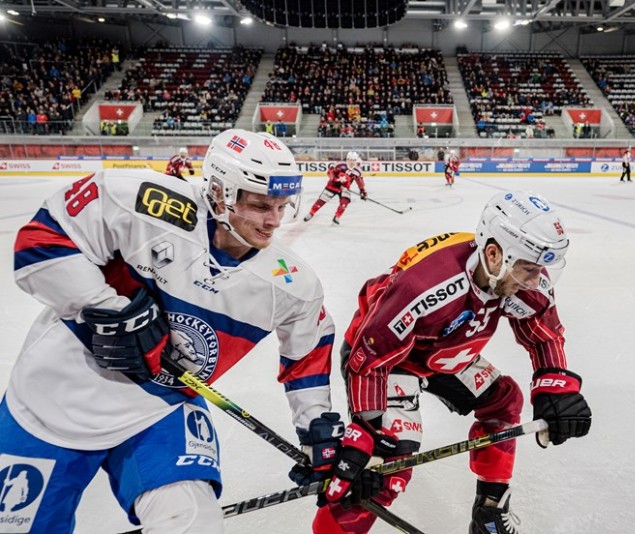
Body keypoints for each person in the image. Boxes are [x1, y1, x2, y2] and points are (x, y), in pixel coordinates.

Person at [0, 129, 344, 533]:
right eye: (260, 205)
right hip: (54, 397)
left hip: (161, 409)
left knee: (193, 524)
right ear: (219, 192)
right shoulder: (143, 201)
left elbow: (307, 353)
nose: (274, 221)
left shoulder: (291, 284)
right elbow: (40, 242)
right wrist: (110, 310)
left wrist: (316, 426)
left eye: (282, 206)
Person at [313, 191, 592, 534]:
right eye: (529, 270)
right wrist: (367, 430)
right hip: (388, 358)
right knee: (386, 467)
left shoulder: (517, 278)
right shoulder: (426, 284)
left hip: (444, 352)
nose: (536, 281)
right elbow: (370, 357)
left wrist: (555, 386)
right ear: (494, 253)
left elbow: (543, 334)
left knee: (504, 399)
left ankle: (489, 512)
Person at [303, 151, 367, 225]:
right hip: (332, 186)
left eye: (354, 160)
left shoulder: (357, 171)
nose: (351, 162)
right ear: (347, 159)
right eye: (350, 159)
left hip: (344, 188)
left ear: (356, 160)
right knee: (322, 200)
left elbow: (360, 182)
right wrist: (336, 179)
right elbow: (330, 172)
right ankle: (311, 213)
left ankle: (337, 217)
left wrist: (363, 192)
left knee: (344, 202)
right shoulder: (340, 165)